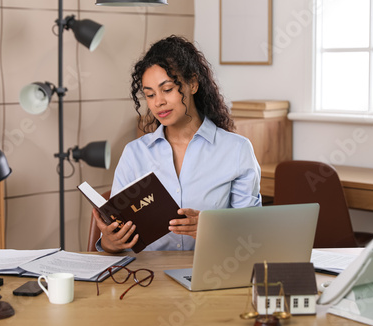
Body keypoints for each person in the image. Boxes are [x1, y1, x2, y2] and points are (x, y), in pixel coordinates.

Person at [93, 35, 261, 253]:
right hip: (147, 278)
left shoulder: (237, 150)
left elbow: (253, 234)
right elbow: (115, 238)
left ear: (192, 84)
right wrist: (109, 242)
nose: (158, 102)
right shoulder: (135, 153)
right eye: (150, 94)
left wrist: (213, 229)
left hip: (211, 274)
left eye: (167, 89)